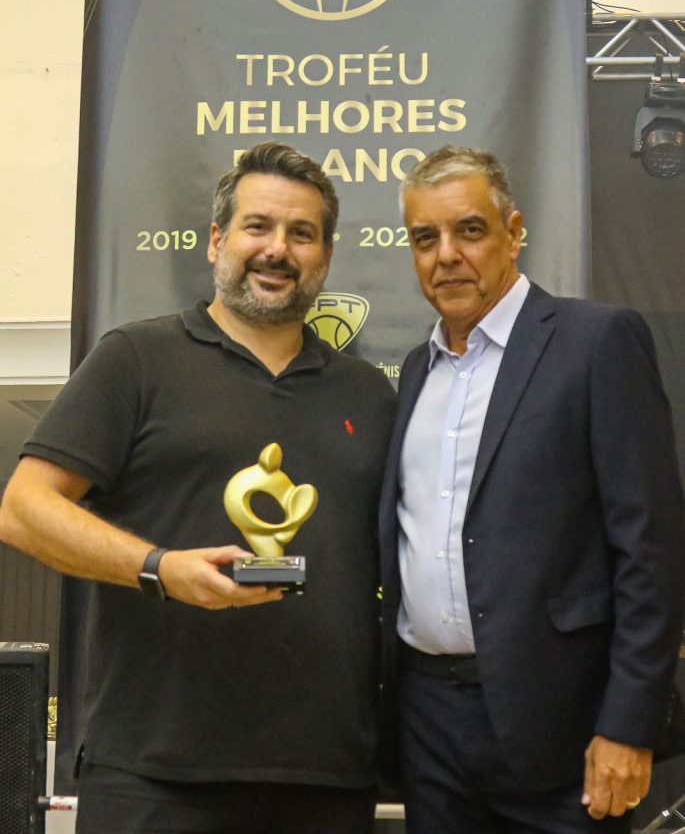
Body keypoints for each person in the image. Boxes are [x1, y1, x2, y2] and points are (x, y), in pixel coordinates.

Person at [0, 142, 397, 834]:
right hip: (152, 772)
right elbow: (24, 510)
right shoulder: (136, 359)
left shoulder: (369, 393)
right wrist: (159, 568)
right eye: (257, 226)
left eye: (301, 234)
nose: (277, 249)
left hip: (325, 775)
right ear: (217, 240)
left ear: (327, 257)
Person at [378, 145, 685, 834]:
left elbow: (651, 550)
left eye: (469, 230)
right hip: (429, 724)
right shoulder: (416, 370)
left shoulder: (595, 343)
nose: (447, 256)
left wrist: (628, 724)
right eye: (424, 238)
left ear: (513, 232)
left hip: (563, 729)